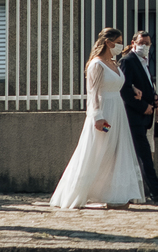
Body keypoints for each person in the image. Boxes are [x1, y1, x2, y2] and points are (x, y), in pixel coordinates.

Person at [50, 28, 146, 209]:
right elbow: (93, 93)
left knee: (116, 150)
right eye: (118, 41)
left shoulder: (113, 63)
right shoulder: (96, 65)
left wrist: (133, 89)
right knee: (98, 150)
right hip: (105, 114)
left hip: (118, 112)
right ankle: (77, 193)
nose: (120, 45)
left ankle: (115, 193)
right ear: (108, 42)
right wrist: (98, 117)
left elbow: (116, 83)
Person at [119, 31, 158, 202]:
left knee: (144, 154)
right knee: (143, 155)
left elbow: (144, 86)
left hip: (145, 117)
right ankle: (156, 190)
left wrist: (155, 98)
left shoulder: (143, 62)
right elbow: (125, 89)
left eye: (148, 43)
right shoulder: (128, 61)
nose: (145, 46)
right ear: (133, 43)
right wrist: (144, 107)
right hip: (134, 116)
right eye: (142, 43)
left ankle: (152, 190)